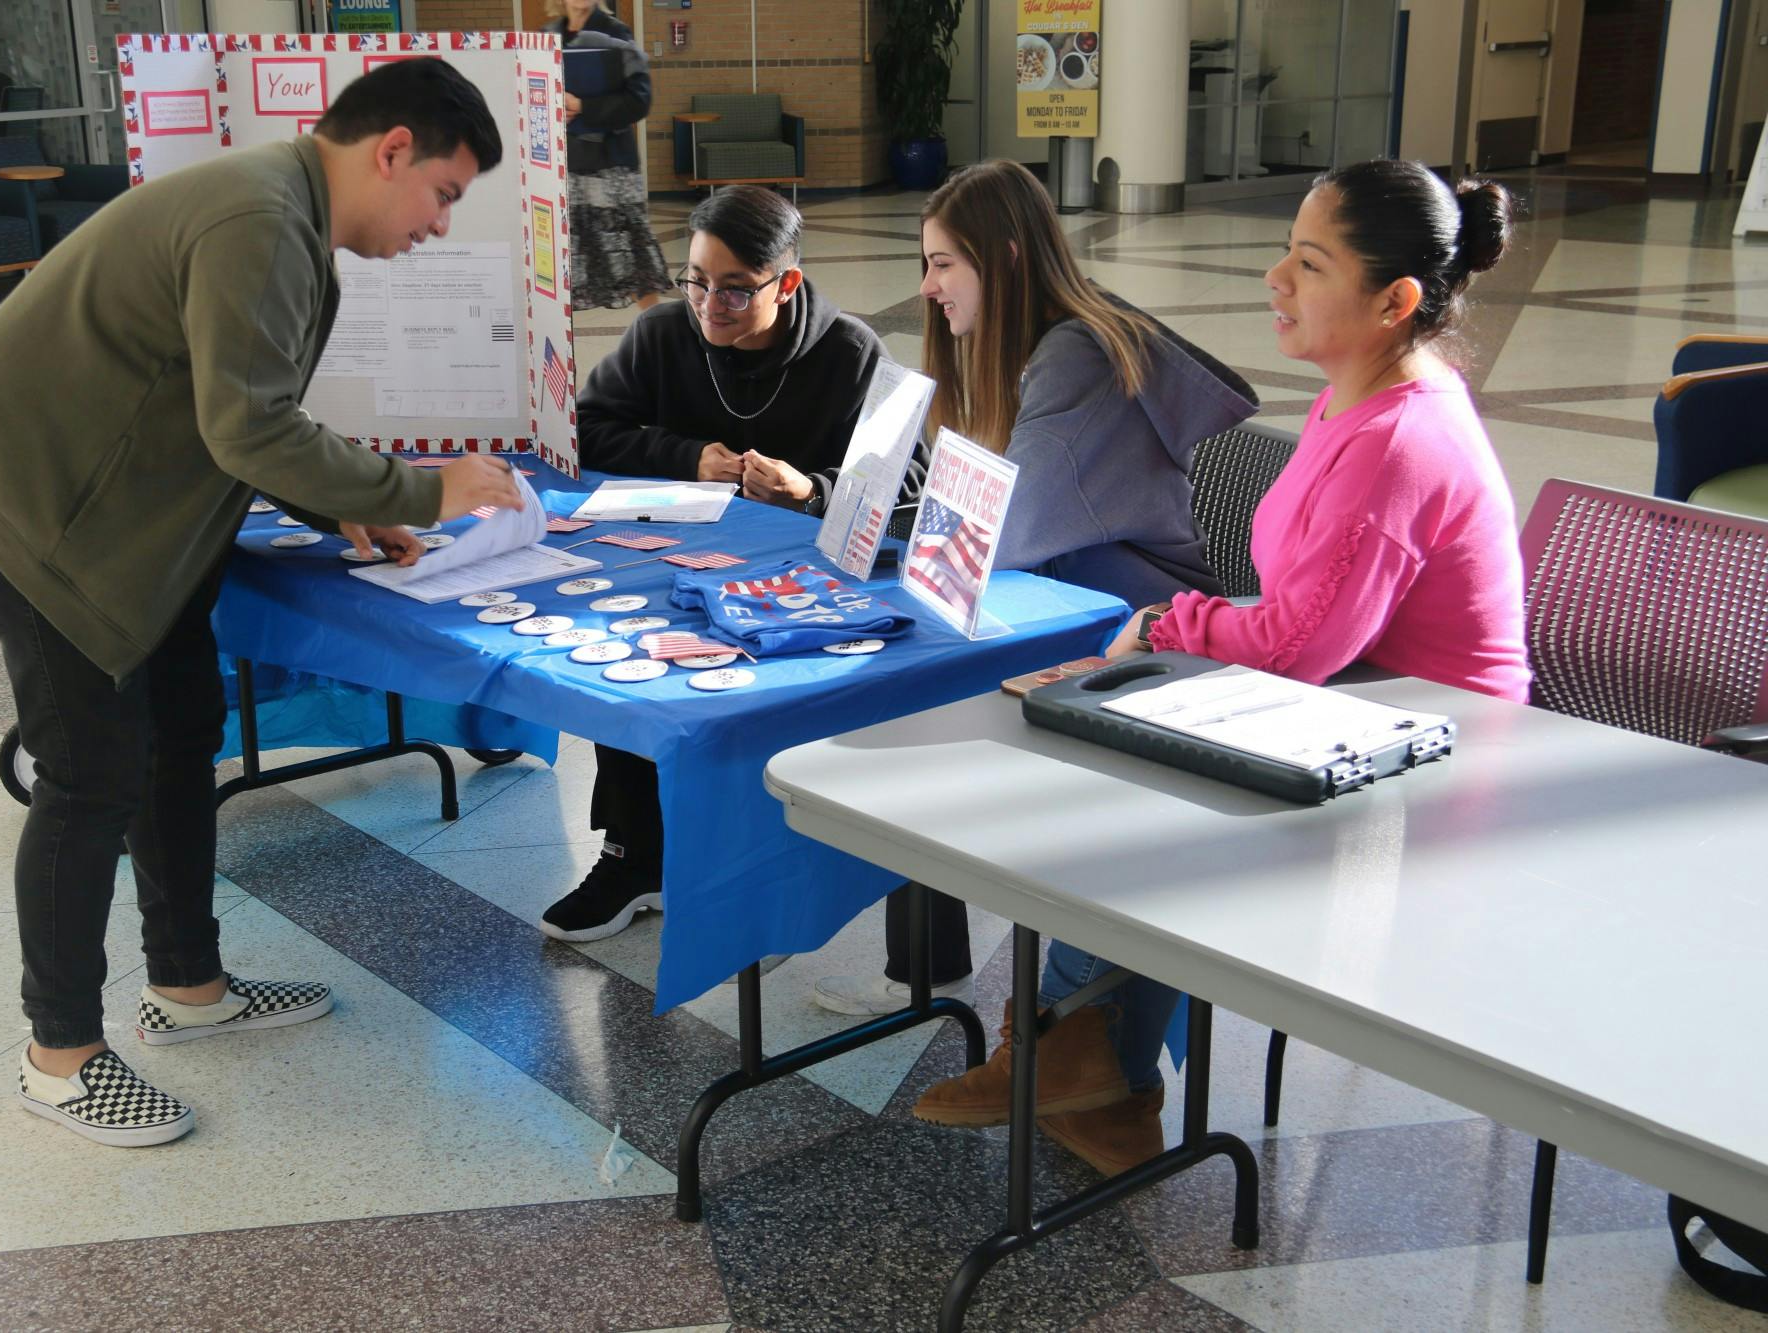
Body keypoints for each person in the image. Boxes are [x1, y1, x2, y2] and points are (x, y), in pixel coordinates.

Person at [0, 59, 526, 1148]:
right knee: (88, 766)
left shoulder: (284, 216)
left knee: (183, 724)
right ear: (390, 152)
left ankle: (187, 985)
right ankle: (58, 1055)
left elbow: (232, 404)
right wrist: (428, 488)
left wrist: (342, 509)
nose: (438, 225)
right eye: (443, 193)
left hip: (122, 510)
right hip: (32, 503)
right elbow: (247, 427)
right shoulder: (257, 218)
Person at [912, 159, 1532, 1181]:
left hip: (1431, 763)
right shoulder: (1360, 396)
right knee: (1107, 767)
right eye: (1286, 252)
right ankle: (1100, 1074)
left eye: (1308, 262)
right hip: (1345, 711)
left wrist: (1166, 621)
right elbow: (1308, 623)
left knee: (1125, 793)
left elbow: (1297, 643)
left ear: (1394, 301)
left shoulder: (1399, 436)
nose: (1273, 279)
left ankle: (1068, 1043)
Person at [809, 160, 1256, 1018]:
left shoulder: (1077, 355)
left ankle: (1011, 1007)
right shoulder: (1038, 345)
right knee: (911, 688)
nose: (928, 286)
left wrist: (897, 534)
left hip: (1137, 635)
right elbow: (984, 510)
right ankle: (936, 970)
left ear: (1006, 258)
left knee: (911, 701)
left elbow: (1002, 531)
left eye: (944, 263)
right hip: (1075, 606)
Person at [538, 184, 885, 943]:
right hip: (669, 570)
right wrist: (685, 457)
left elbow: (908, 483)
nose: (709, 304)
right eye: (695, 279)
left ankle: (784, 862)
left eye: (734, 289)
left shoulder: (849, 353)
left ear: (785, 283)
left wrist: (811, 488)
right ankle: (634, 854)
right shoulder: (664, 333)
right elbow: (587, 430)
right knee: (622, 653)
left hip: (801, 594)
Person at [545, 0, 670, 311]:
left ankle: (655, 338)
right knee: (564, 263)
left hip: (611, 166)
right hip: (564, 164)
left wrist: (582, 106)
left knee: (632, 258)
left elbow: (639, 102)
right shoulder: (546, 37)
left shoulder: (616, 34)